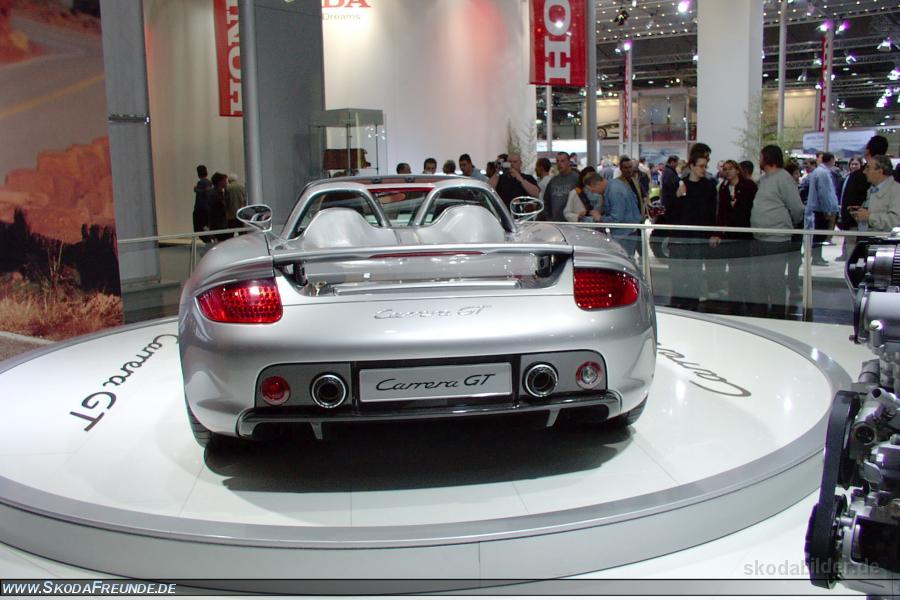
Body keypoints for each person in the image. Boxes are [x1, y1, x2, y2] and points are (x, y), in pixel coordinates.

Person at [750, 145, 805, 319]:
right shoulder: (764, 179)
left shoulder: (783, 178)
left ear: (768, 158)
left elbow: (797, 207)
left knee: (774, 280)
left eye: (761, 156)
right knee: (759, 281)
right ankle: (760, 314)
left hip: (776, 238)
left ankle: (778, 315)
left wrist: (787, 225)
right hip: (760, 237)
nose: (759, 160)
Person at [667, 153, 717, 311]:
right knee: (678, 272)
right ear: (692, 166)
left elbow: (711, 212)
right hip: (681, 235)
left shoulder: (709, 186)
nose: (704, 169)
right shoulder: (680, 184)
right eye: (701, 166)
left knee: (694, 272)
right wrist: (677, 195)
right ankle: (677, 303)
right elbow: (670, 210)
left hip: (698, 236)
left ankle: (692, 304)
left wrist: (712, 233)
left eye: (705, 166)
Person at [713, 160, 757, 308]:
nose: (728, 171)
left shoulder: (749, 186)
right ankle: (734, 300)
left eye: (730, 168)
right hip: (730, 233)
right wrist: (718, 232)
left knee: (745, 269)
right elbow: (722, 212)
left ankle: (747, 300)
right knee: (733, 268)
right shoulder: (724, 188)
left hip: (745, 232)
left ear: (737, 170)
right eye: (725, 169)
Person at [840, 136, 888, 259]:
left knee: (856, 262)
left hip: (861, 228)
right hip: (879, 229)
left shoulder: (857, 176)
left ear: (867, 151)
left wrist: (846, 224)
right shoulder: (892, 177)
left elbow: (848, 201)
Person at [602, 155, 644, 260]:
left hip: (636, 221)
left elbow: (639, 198)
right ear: (621, 169)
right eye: (625, 167)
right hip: (625, 226)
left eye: (630, 167)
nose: (628, 170)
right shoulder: (618, 184)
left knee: (638, 249)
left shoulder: (634, 180)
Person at [805, 152, 840, 266]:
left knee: (819, 235)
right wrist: (827, 210)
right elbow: (824, 193)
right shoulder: (823, 173)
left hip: (819, 208)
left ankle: (817, 256)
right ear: (831, 160)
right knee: (819, 235)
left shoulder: (820, 171)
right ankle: (816, 257)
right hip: (820, 209)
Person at [850, 155, 900, 232]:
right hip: (866, 236)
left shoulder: (896, 190)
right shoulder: (871, 189)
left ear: (880, 171)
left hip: (883, 239)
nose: (864, 172)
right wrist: (860, 213)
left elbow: (896, 222)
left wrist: (869, 217)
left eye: (868, 168)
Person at [541, 152, 580, 222]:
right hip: (556, 221)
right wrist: (549, 218)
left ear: (568, 162)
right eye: (557, 161)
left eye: (562, 161)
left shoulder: (576, 179)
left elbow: (583, 199)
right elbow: (546, 201)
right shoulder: (553, 181)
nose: (559, 164)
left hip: (572, 221)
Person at [206, 172, 230, 243]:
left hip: (219, 224)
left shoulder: (217, 193)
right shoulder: (215, 194)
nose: (227, 182)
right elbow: (218, 209)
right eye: (225, 181)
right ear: (220, 182)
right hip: (218, 225)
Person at [193, 165, 213, 243]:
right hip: (207, 209)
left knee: (200, 229)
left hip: (201, 210)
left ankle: (209, 243)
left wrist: (197, 190)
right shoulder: (209, 182)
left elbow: (204, 194)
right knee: (205, 228)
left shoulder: (201, 183)